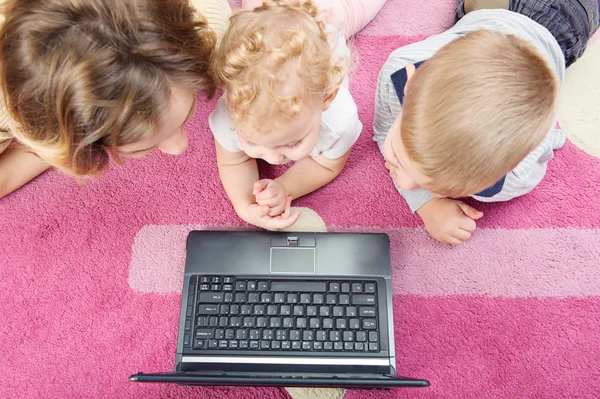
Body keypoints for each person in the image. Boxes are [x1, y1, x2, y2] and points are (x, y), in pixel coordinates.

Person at [373, 0, 599, 245]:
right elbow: (384, 127)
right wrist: (426, 200)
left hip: (560, 24)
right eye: (396, 154)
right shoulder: (401, 68)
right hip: (520, 11)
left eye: (433, 186)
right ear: (409, 87)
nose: (404, 182)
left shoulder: (512, 179)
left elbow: (545, 140)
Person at [0, 0, 231, 198]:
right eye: (144, 146)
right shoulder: (5, 111)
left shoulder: (210, 29)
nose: (180, 148)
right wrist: (59, 148)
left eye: (187, 113)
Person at [210, 0, 386, 230]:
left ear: (326, 99)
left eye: (293, 144)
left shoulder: (339, 121)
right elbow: (233, 160)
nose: (273, 159)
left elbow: (327, 164)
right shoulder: (230, 115)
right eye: (251, 141)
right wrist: (245, 205)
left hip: (330, 10)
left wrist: (284, 187)